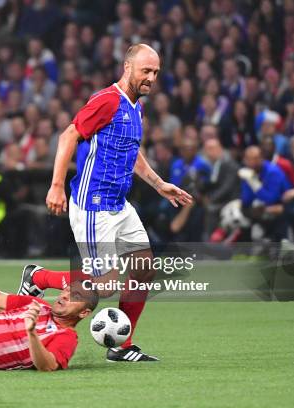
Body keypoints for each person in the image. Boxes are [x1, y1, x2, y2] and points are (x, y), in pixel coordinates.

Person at [20, 44, 192, 362]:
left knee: (143, 268)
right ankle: (38, 277)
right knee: (105, 286)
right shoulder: (108, 100)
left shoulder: (135, 106)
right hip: (93, 204)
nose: (151, 77)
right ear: (127, 67)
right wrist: (56, 185)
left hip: (119, 203)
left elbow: (130, 152)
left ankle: (121, 347)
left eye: (155, 72)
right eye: (146, 70)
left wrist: (158, 184)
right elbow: (68, 135)